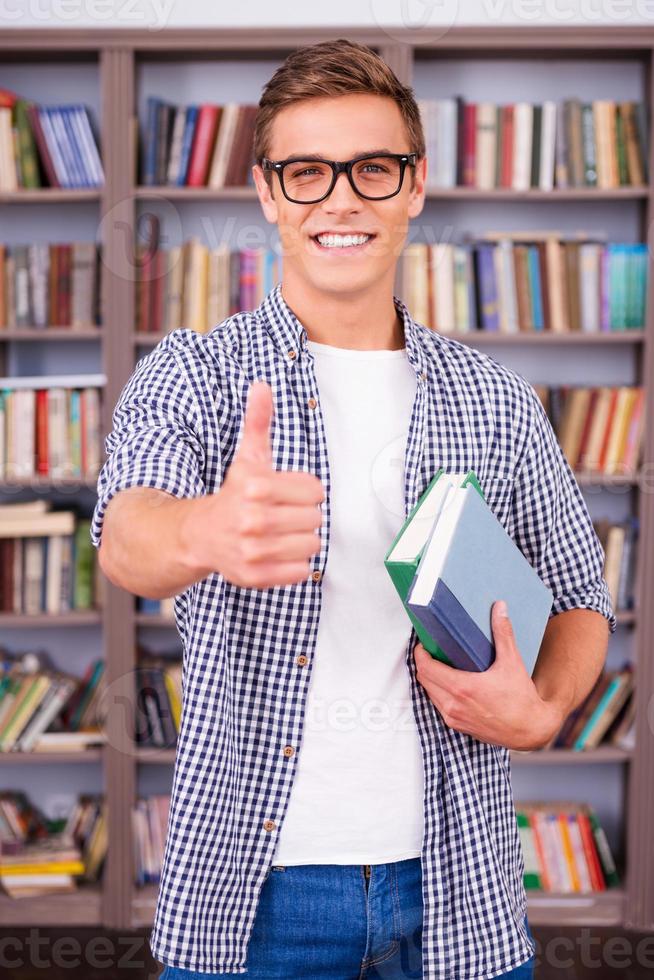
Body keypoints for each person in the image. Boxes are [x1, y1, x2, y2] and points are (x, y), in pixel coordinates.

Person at [91, 38, 616, 980]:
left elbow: (580, 596)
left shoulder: (495, 398)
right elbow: (128, 538)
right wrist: (208, 529)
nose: (341, 198)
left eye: (373, 168)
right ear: (268, 193)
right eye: (306, 171)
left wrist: (543, 714)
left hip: (460, 885)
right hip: (253, 897)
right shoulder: (192, 374)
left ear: (414, 187)